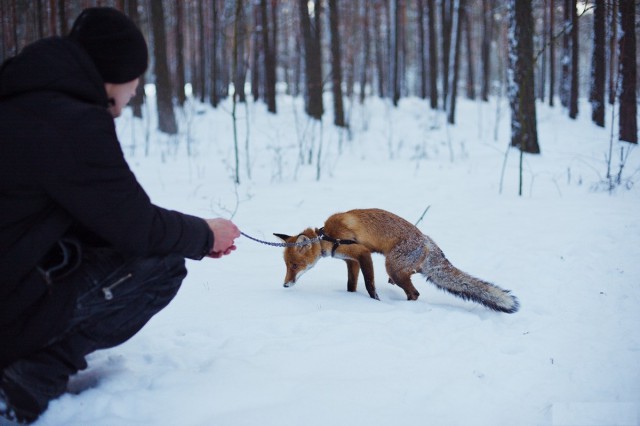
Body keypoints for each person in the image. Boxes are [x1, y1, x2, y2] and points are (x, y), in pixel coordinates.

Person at [0, 7, 240, 424]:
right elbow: (136, 228)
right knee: (161, 266)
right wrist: (204, 233)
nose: (132, 97)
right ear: (118, 74)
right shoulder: (71, 122)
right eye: (135, 84)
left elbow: (101, 217)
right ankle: (26, 380)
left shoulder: (23, 99)